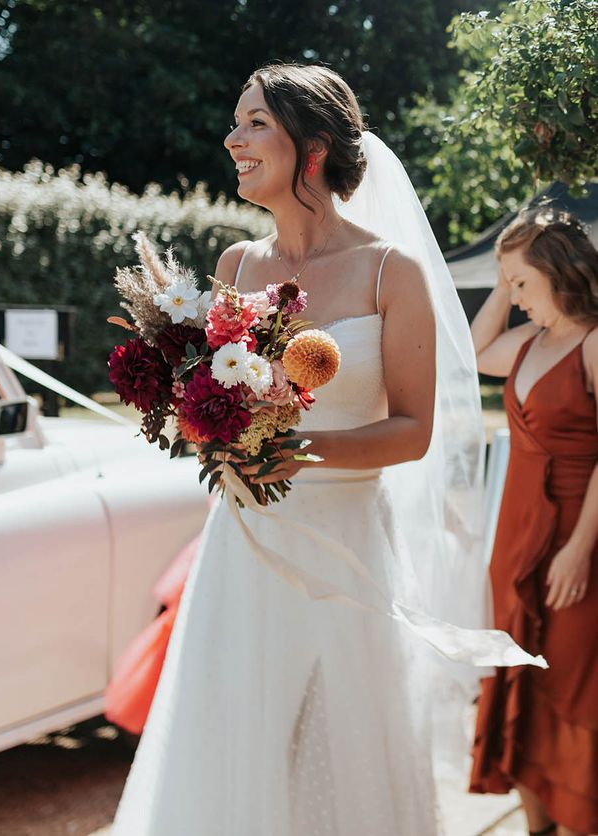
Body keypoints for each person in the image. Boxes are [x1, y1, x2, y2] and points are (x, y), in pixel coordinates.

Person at [111, 64, 539, 835]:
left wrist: (297, 448)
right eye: (236, 121)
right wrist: (205, 426)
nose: (231, 138)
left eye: (253, 123)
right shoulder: (237, 268)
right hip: (243, 546)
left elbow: (414, 430)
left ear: (312, 147)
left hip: (345, 550)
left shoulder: (389, 271)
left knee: (341, 744)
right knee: (233, 734)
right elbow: (212, 400)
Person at [469, 206, 598, 836]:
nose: (514, 298)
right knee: (520, 673)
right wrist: (501, 277)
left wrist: (578, 549)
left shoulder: (595, 342)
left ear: (556, 271)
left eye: (522, 284)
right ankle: (537, 826)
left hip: (580, 539)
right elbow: (473, 352)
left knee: (571, 685)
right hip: (516, 539)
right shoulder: (531, 341)